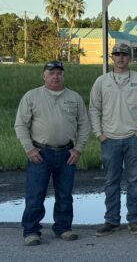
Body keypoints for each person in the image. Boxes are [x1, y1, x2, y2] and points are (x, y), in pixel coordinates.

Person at [15, 61, 90, 246]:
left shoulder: (74, 97)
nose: (55, 76)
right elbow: (21, 125)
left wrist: (78, 148)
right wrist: (29, 149)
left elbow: (84, 125)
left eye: (59, 73)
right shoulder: (31, 96)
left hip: (67, 154)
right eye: (51, 73)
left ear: (63, 75)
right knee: (35, 194)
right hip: (40, 153)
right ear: (44, 76)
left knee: (65, 195)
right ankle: (32, 231)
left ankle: (63, 228)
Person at [90, 43, 137, 236]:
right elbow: (94, 109)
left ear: (130, 58)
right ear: (112, 58)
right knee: (111, 181)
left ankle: (134, 219)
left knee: (135, 180)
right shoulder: (102, 81)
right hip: (109, 139)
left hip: (134, 138)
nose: (120, 58)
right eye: (117, 54)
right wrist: (99, 134)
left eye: (124, 55)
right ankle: (111, 220)